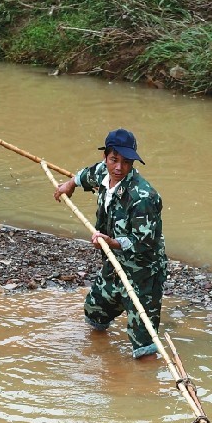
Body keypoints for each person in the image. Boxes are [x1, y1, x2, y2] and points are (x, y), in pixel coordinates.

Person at [54, 128, 167, 359]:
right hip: (114, 263)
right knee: (94, 311)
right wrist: (69, 184)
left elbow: (143, 244)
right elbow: (87, 174)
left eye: (126, 162)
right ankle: (101, 357)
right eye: (114, 160)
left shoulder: (143, 197)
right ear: (105, 157)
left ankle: (144, 387)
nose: (118, 168)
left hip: (142, 271)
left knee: (144, 343)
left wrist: (111, 242)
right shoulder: (103, 174)